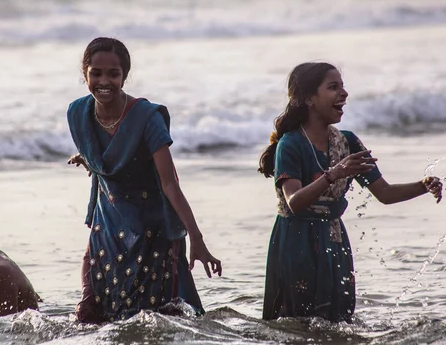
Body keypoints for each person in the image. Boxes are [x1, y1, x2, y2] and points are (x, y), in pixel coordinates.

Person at [258, 62, 443, 323]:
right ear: (308, 99)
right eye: (333, 87)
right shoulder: (290, 145)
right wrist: (334, 173)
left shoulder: (348, 142)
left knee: (338, 320)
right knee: (295, 323)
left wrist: (422, 186)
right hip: (296, 242)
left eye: (343, 87)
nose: (344, 94)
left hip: (333, 240)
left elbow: (385, 193)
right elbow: (295, 202)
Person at [67, 37, 222, 323]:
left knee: (158, 318)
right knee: (99, 314)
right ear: (85, 73)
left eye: (113, 74)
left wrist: (196, 238)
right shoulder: (78, 113)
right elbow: (104, 157)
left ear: (124, 75)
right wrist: (87, 159)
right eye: (96, 73)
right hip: (108, 225)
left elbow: (170, 183)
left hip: (152, 230)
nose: (104, 81)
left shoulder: (147, 118)